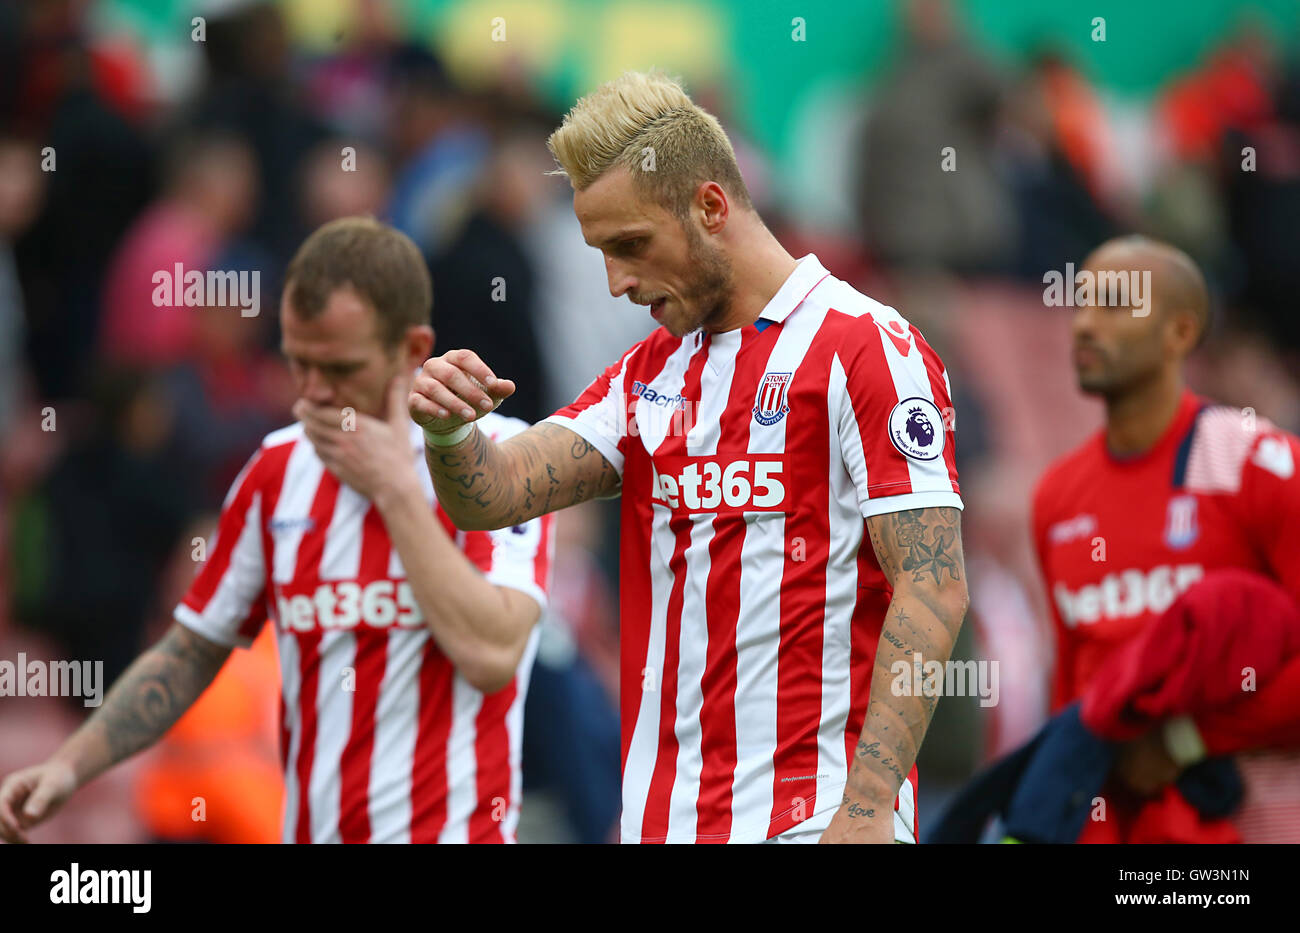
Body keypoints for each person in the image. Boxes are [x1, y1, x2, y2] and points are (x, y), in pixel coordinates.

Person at [409, 71, 969, 844]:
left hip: (817, 818)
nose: (617, 282)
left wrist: (869, 806)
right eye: (602, 253)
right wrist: (448, 432)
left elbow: (934, 584)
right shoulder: (649, 376)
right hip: (664, 822)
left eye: (630, 245)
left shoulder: (866, 347)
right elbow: (492, 494)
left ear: (711, 206)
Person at [0, 217, 554, 844]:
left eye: (340, 367)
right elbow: (189, 653)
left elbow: (491, 655)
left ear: (410, 348)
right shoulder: (276, 470)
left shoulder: (498, 461)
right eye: (299, 362)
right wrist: (68, 768)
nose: (313, 392)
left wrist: (394, 489)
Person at [1032, 234, 1300, 842]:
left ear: (1181, 333)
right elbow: (1071, 692)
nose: (1084, 326)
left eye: (1114, 305)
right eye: (1081, 304)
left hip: (1245, 824)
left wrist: (1187, 740)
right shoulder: (1057, 495)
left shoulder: (1257, 463)